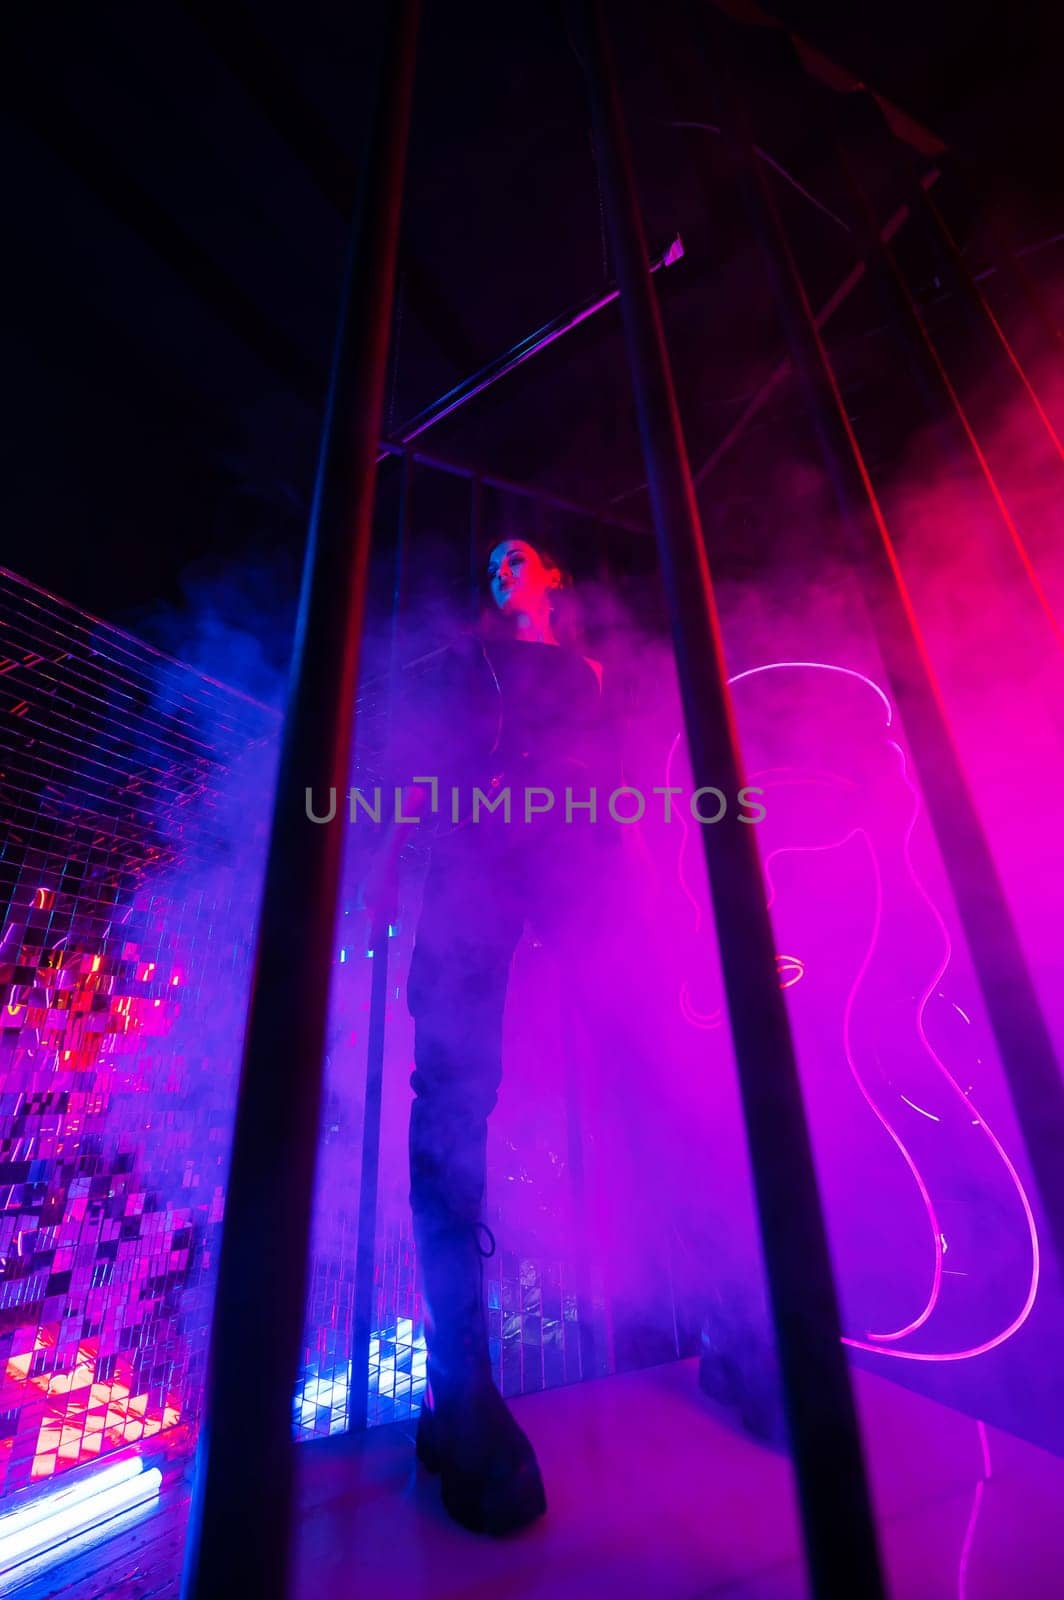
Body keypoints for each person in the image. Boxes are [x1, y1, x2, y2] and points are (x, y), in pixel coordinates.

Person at [365, 537, 623, 1535]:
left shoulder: (591, 672)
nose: (496, 571)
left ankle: (734, 1314)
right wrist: (388, 855)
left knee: (639, 1061)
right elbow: (424, 764)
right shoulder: (469, 663)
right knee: (451, 1117)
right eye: (484, 566)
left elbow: (599, 787)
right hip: (473, 880)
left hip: (561, 874)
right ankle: (460, 1388)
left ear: (555, 571)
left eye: (514, 557)